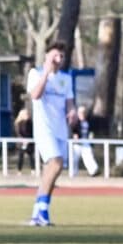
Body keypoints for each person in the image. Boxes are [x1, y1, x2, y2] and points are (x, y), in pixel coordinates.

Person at [27, 41, 79, 226]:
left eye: (61, 57)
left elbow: (70, 102)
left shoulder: (66, 79)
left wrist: (72, 111)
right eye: (55, 55)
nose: (58, 60)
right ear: (47, 56)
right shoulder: (35, 73)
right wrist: (46, 74)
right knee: (55, 163)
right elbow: (35, 95)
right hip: (44, 130)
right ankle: (42, 211)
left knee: (53, 170)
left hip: (60, 130)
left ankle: (38, 212)